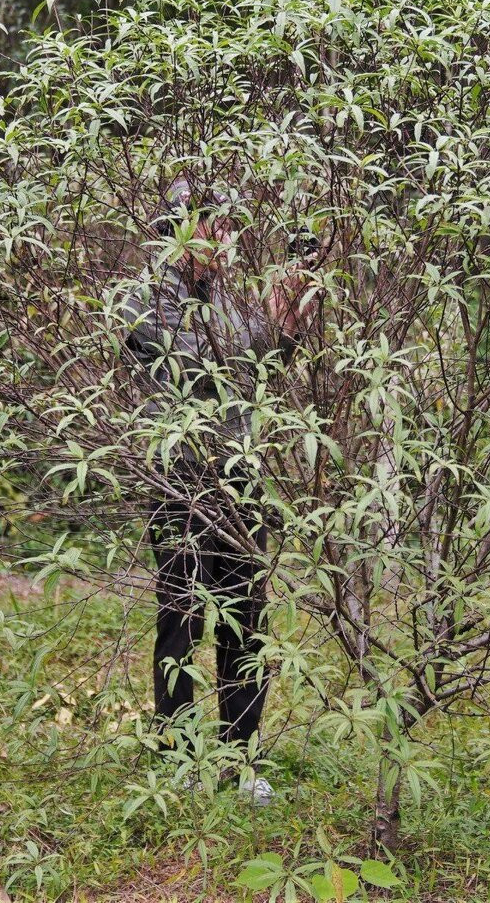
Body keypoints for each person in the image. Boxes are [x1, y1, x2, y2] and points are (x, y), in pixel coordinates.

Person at [119, 179, 317, 805]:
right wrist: (266, 325)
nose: (229, 240)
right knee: (182, 617)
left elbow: (264, 363)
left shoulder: (226, 296)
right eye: (218, 227)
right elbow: (191, 364)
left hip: (241, 473)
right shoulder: (146, 297)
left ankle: (239, 755)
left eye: (231, 227)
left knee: (246, 618)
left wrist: (291, 310)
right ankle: (180, 754)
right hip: (179, 475)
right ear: (181, 226)